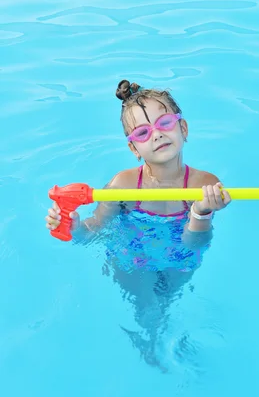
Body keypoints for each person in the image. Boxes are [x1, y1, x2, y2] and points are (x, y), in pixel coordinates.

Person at [45, 80, 231, 370]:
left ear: (183, 128)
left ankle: (161, 339)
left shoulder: (203, 185)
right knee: (148, 308)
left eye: (165, 123)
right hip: (131, 254)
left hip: (178, 253)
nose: (157, 135)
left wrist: (201, 212)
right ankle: (151, 343)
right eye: (144, 132)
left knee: (167, 301)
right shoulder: (124, 185)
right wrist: (73, 226)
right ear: (134, 148)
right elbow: (94, 232)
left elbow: (194, 244)